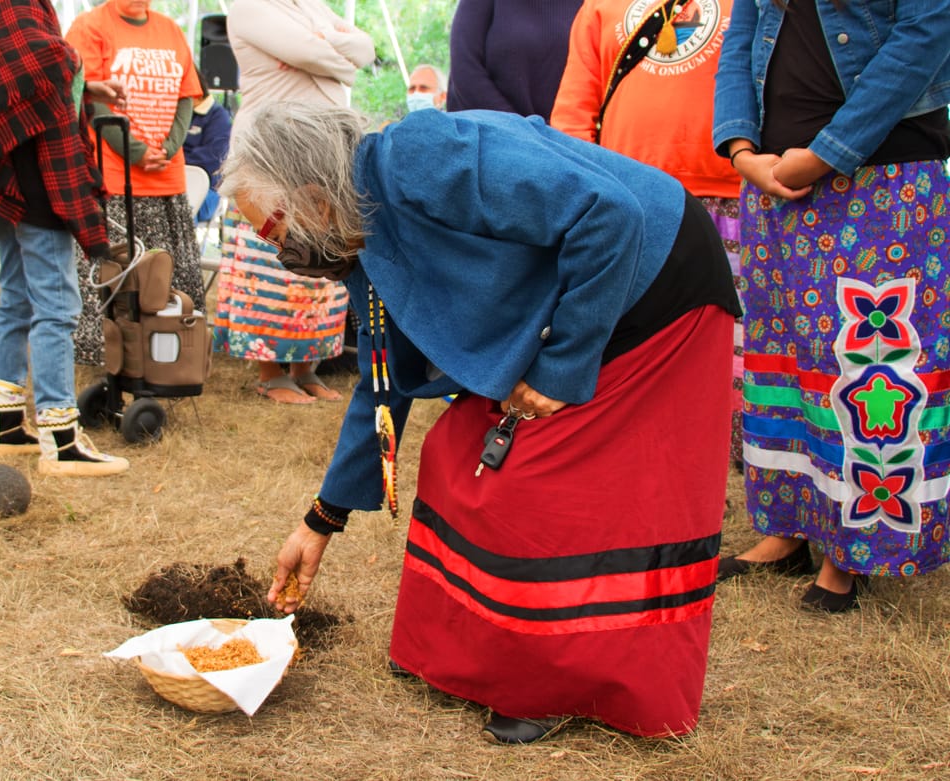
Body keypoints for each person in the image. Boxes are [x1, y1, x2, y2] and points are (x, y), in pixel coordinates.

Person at [222, 103, 741, 741]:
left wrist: (559, 369)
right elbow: (384, 380)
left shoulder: (420, 157)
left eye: (274, 234)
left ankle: (552, 681)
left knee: (529, 484)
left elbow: (610, 215)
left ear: (312, 198)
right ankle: (467, 660)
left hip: (657, 283)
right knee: (453, 454)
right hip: (591, 295)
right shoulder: (362, 232)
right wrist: (321, 520)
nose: (282, 256)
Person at [712, 0, 950, 612]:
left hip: (882, 177)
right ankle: (787, 526)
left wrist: (826, 154)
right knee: (786, 358)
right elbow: (739, 43)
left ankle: (852, 548)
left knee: (868, 362)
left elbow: (926, 31)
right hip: (773, 182)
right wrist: (742, 152)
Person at [551, 0, 745, 467]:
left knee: (736, 348)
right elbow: (576, 109)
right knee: (647, 345)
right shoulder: (600, 6)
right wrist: (583, 194)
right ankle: (652, 464)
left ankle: (743, 463)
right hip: (635, 204)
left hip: (734, 194)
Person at [0, 0, 129, 476]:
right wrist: (73, 64)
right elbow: (43, 61)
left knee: (17, 299)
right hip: (37, 175)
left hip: (5, 172)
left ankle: (7, 426)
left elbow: (9, 80)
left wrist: (84, 85)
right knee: (57, 306)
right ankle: (62, 442)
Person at [212, 0, 375, 404]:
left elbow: (367, 50)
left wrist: (324, 47)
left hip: (324, 161)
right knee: (272, 267)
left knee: (323, 263)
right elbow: (314, 54)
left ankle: (307, 369)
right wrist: (336, 55)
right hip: (268, 158)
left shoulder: (314, 7)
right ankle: (270, 372)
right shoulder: (249, 8)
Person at [66, 0, 206, 366]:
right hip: (111, 179)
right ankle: (108, 352)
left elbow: (186, 95)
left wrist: (169, 146)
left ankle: (167, 353)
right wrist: (135, 151)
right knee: (114, 274)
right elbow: (92, 98)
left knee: (165, 276)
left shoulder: (170, 29)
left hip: (165, 179)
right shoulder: (90, 26)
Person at [447, 0, 584, 121]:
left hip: (558, 140)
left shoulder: (591, 5)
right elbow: (464, 67)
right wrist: (519, 130)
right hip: (484, 131)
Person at [183, 72, 233, 224]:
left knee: (183, 206)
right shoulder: (177, 113)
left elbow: (213, 158)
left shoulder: (219, 117)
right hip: (175, 182)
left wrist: (175, 160)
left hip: (206, 190)